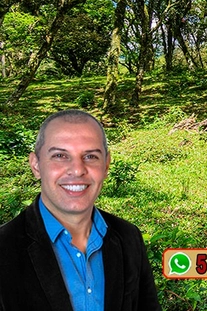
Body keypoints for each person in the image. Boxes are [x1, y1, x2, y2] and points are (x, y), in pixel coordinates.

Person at [0, 109, 161, 311]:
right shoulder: (4, 248)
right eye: (60, 155)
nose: (77, 170)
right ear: (36, 165)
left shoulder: (128, 237)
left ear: (106, 165)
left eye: (91, 156)